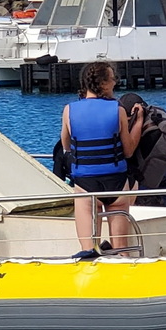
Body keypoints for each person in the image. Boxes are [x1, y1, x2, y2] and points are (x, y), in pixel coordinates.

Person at [60, 61, 140, 258]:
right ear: (104, 83)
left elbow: (66, 145)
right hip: (116, 182)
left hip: (85, 183)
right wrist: (137, 122)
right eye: (113, 79)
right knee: (122, 252)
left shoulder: (69, 110)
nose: (115, 83)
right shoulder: (118, 109)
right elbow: (128, 151)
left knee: (89, 251)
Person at [120, 92, 166, 208]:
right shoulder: (123, 134)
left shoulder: (160, 135)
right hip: (136, 193)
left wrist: (147, 166)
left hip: (160, 196)